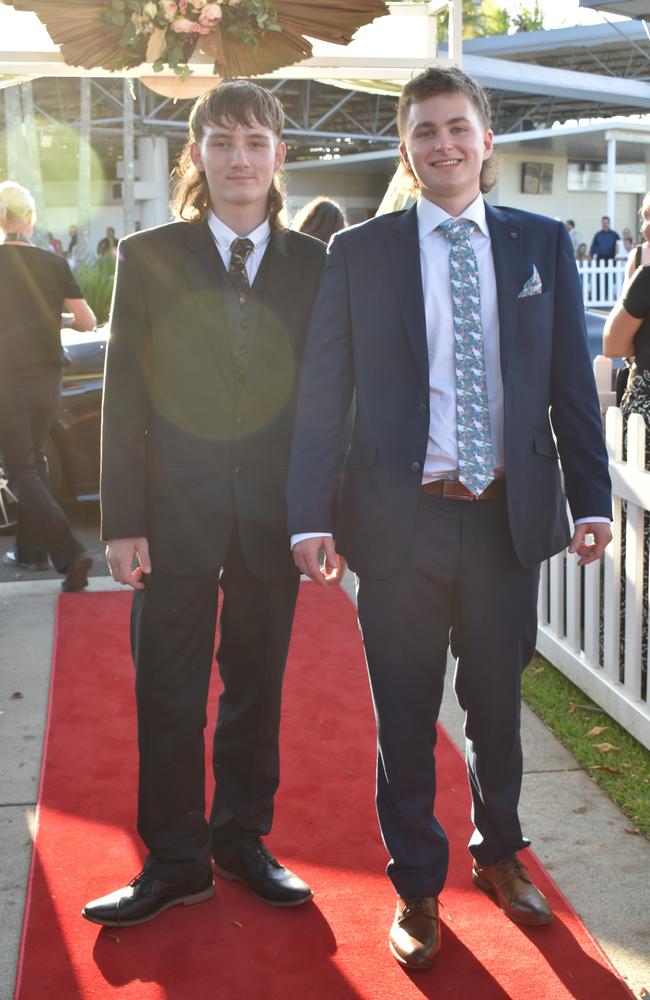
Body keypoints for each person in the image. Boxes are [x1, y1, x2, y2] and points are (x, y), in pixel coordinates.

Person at [288, 65, 612, 970]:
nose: (443, 144)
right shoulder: (360, 251)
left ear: (486, 141)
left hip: (507, 519)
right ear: (407, 146)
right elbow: (324, 393)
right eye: (424, 130)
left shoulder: (542, 245)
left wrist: (591, 498)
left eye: (457, 127)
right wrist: (308, 516)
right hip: (399, 524)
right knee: (403, 715)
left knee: (499, 707)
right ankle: (419, 889)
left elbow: (568, 396)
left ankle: (501, 853)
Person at [82, 80, 327, 929]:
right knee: (170, 694)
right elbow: (124, 395)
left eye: (255, 142)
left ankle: (241, 840)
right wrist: (121, 521)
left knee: (256, 688)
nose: (238, 160)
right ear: (195, 154)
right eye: (221, 142)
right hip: (172, 517)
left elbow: (327, 401)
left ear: (279, 157)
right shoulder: (148, 256)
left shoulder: (314, 265)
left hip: (273, 523)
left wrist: (318, 515)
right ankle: (176, 860)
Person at [0, 182, 96, 590]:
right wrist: (52, 321)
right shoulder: (53, 263)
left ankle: (70, 552)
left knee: (19, 469)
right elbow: (87, 320)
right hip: (48, 377)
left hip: (8, 377)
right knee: (34, 462)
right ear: (31, 218)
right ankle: (32, 553)